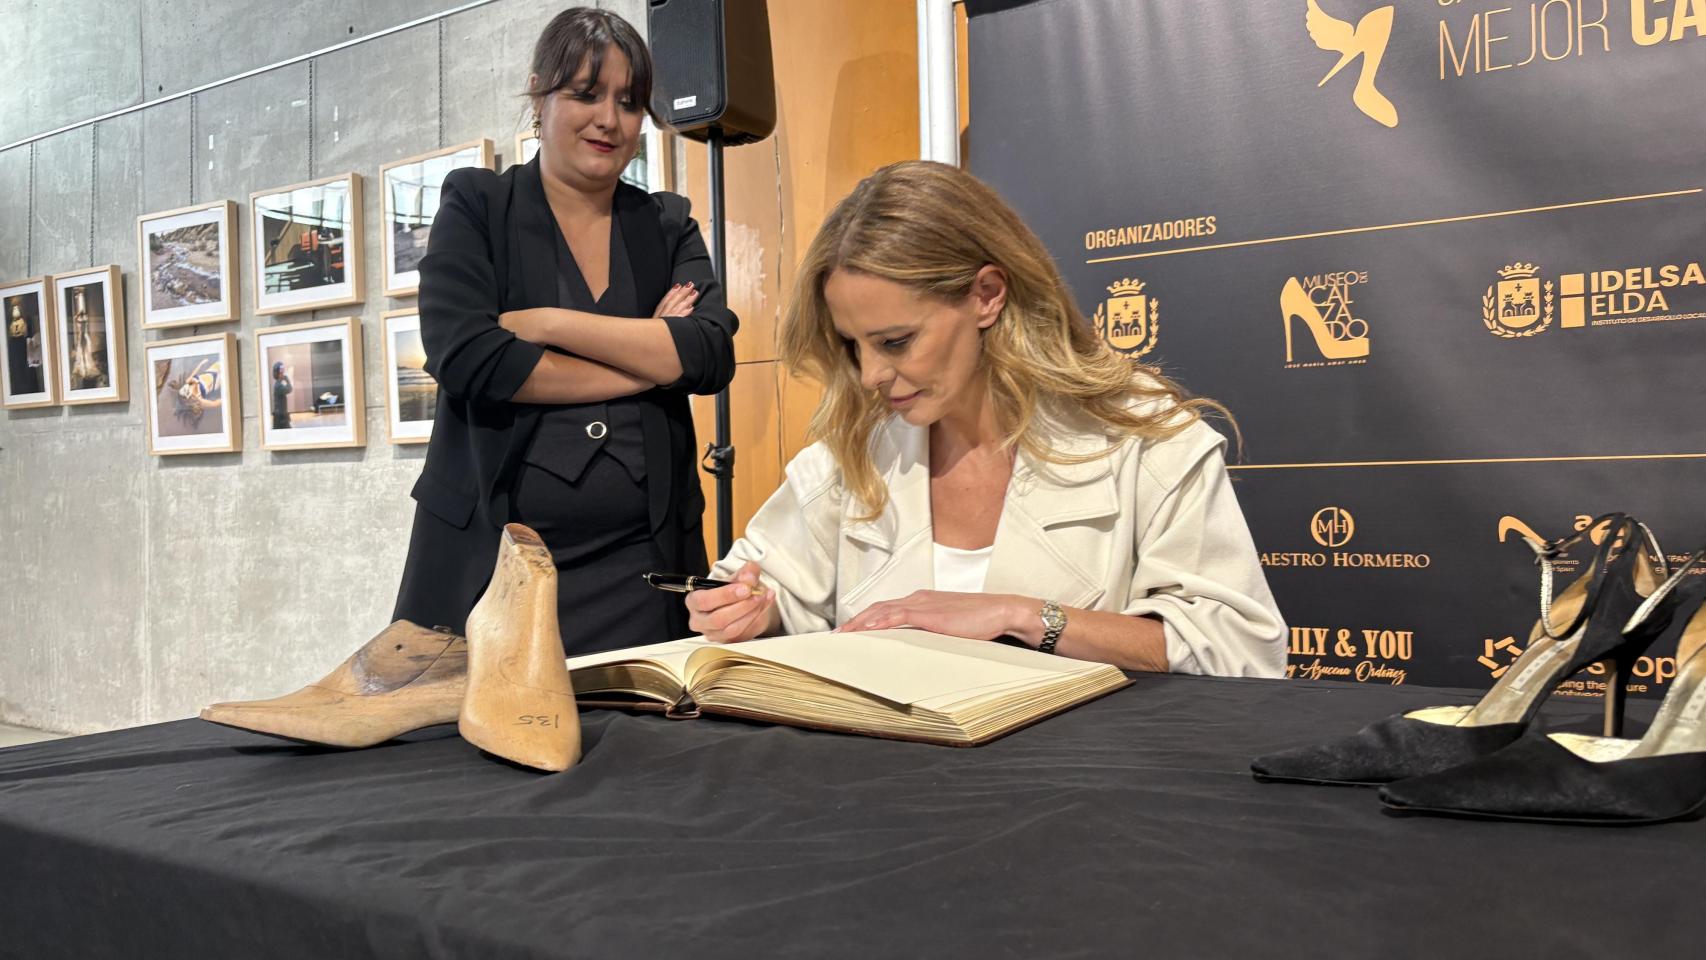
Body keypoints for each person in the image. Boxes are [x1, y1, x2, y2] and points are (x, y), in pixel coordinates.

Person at [686, 161, 1284, 676]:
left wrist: (1020, 616)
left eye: (895, 341)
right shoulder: (855, 451)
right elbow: (767, 586)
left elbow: (1240, 648)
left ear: (988, 294)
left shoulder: (1141, 438)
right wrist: (751, 610)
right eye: (852, 345)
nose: (869, 375)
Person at [393, 7, 736, 654]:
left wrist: (550, 325)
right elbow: (470, 358)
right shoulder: (477, 206)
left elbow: (710, 354)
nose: (610, 119)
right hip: (490, 567)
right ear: (539, 94)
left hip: (645, 569)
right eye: (586, 94)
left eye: (630, 102)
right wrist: (648, 356)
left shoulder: (666, 225)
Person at [270, 360, 293, 430]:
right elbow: (289, 389)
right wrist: (287, 380)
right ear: (278, 373)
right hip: (280, 417)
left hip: (281, 415)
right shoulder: (278, 386)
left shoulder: (279, 384)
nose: (283, 373)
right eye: (281, 372)